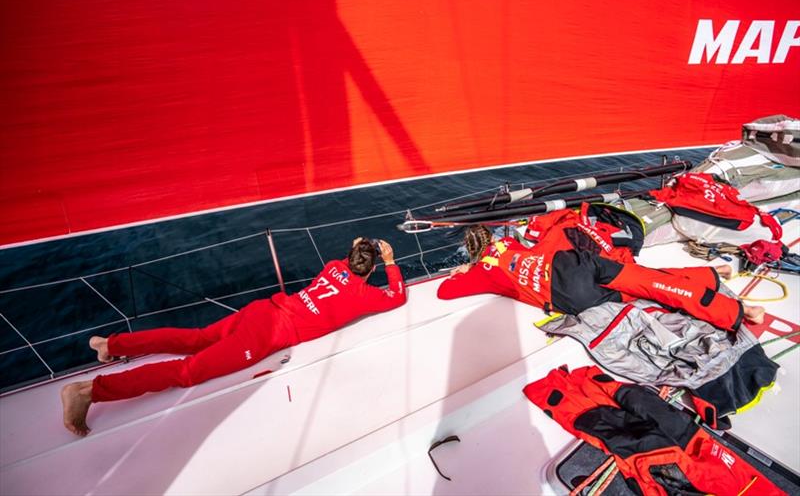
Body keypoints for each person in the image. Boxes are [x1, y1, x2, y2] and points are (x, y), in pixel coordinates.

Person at [61, 238, 405, 436]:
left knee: (195, 338)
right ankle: (91, 392)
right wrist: (390, 261)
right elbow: (398, 296)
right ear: (371, 270)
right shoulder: (365, 294)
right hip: (266, 334)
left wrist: (364, 249)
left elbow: (350, 261)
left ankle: (112, 344)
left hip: (262, 310)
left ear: (348, 258)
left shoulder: (333, 266)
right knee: (188, 371)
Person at [438, 224, 765, 330]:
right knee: (649, 281)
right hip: (577, 265)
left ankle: (737, 311)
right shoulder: (506, 243)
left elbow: (444, 293)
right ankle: (710, 274)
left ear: (471, 251)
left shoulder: (480, 274)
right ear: (490, 236)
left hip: (569, 296)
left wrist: (467, 270)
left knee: (650, 291)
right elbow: (507, 247)